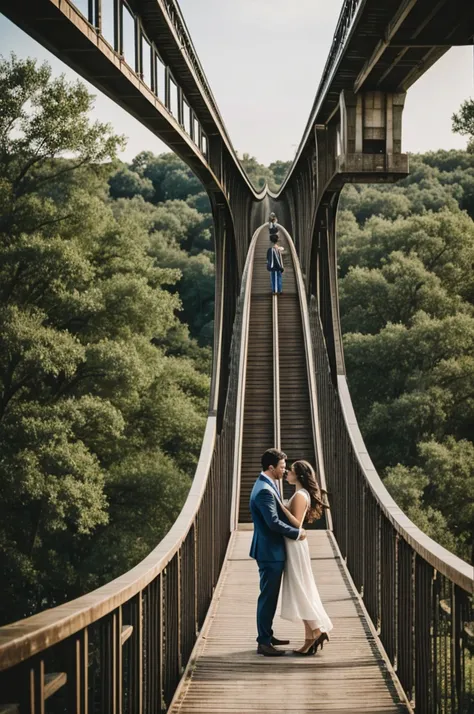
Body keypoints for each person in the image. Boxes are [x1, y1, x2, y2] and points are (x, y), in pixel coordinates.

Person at [249, 448, 307, 656]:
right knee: (268, 596)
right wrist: (296, 533)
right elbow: (272, 523)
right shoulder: (265, 490)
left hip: (269, 549)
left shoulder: (266, 484)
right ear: (271, 467)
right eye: (282, 467)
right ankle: (263, 642)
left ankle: (267, 634)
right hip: (269, 552)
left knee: (270, 596)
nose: (285, 470)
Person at [279, 460, 333, 655]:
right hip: (294, 545)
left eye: (291, 471)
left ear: (299, 476)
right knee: (301, 589)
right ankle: (309, 639)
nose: (287, 474)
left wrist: (280, 506)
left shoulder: (301, 496)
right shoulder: (300, 494)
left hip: (295, 545)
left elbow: (296, 524)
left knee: (300, 589)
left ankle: (317, 631)